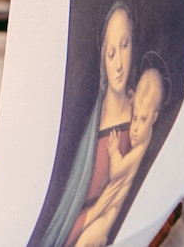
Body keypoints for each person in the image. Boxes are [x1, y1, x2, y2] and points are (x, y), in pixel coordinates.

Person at [32, 1, 136, 247]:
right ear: (103, 61)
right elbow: (64, 224)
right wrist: (97, 210)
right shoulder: (90, 134)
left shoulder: (139, 111)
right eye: (111, 54)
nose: (119, 65)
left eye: (125, 46)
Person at [69, 59, 167, 247]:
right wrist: (133, 100)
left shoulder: (140, 148)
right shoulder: (143, 133)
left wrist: (114, 152)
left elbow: (116, 171)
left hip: (109, 214)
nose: (135, 128)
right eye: (134, 117)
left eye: (142, 119)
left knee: (83, 243)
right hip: (106, 208)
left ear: (154, 118)